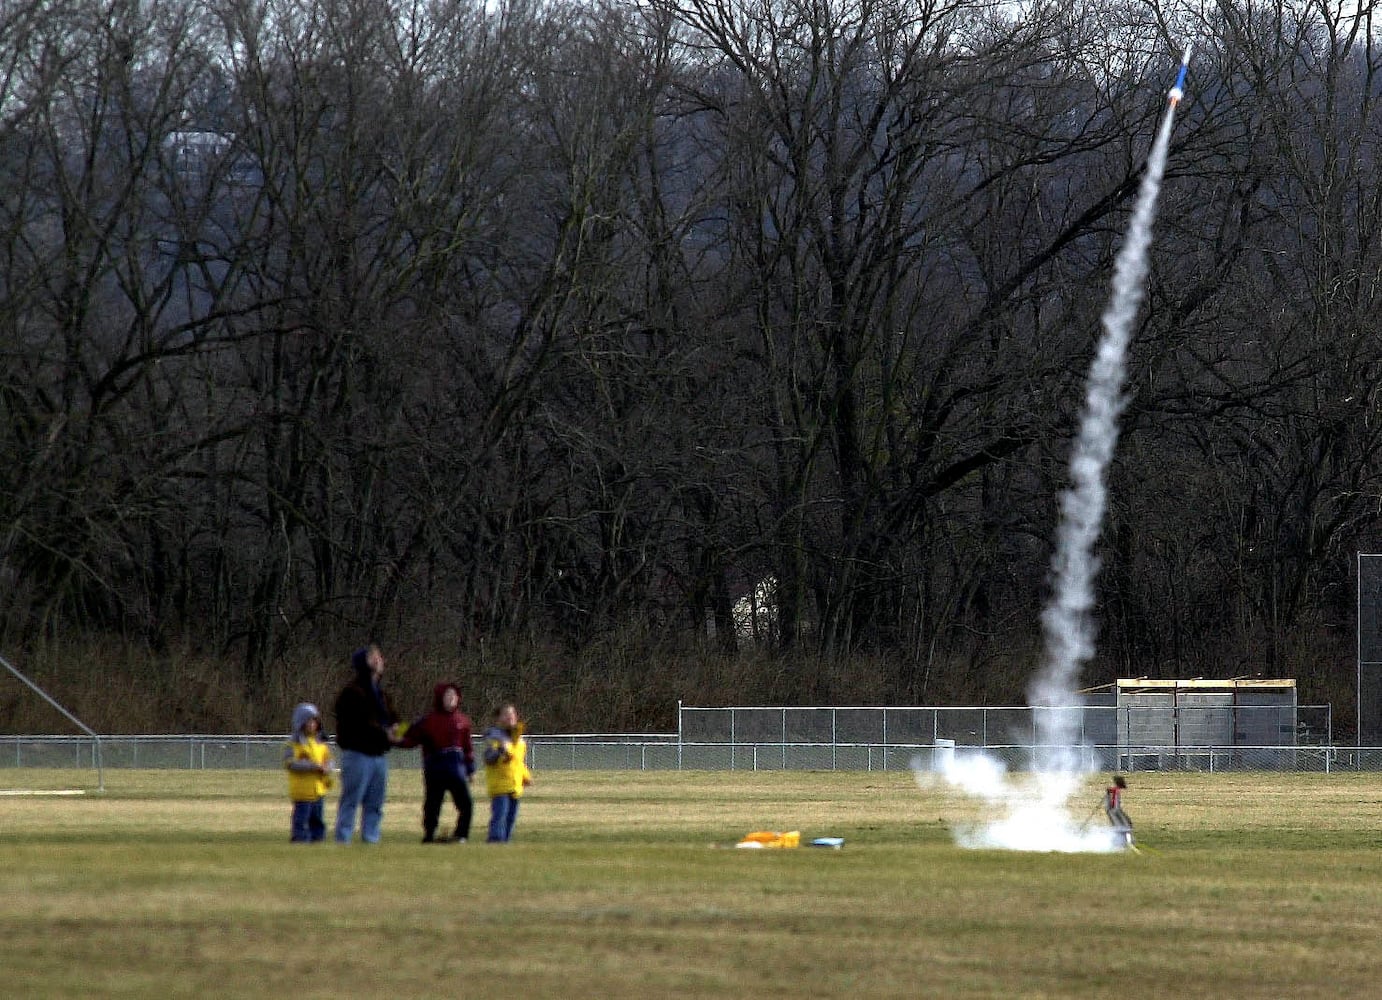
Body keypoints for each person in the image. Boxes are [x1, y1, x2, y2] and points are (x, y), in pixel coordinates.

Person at [333, 643, 400, 844]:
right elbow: (362, 723)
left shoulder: (382, 695)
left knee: (375, 803)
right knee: (351, 801)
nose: (380, 660)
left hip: (378, 756)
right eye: (374, 657)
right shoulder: (351, 693)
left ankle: (371, 839)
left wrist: (400, 731)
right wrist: (386, 733)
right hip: (357, 755)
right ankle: (343, 839)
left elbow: (395, 718)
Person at [398, 682, 476, 843]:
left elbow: (467, 748)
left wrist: (470, 769)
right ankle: (429, 835)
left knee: (466, 804)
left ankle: (461, 835)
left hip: (457, 772)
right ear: (440, 698)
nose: (451, 699)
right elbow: (410, 735)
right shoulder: (429, 720)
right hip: (435, 771)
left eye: (454, 696)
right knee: (432, 805)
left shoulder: (463, 721)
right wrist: (394, 733)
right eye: (448, 696)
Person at [283, 702, 334, 843]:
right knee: (301, 818)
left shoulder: (320, 743)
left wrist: (327, 767)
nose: (312, 725)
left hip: (318, 790)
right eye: (309, 721)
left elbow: (329, 760)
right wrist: (312, 766)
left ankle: (317, 838)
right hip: (302, 791)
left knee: (317, 818)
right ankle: (299, 838)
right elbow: (290, 763)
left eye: (314, 721)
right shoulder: (293, 743)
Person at [483, 703, 533, 843]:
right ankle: (495, 841)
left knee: (511, 818)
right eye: (505, 714)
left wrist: (525, 776)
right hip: (500, 786)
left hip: (515, 786)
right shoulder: (494, 737)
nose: (509, 717)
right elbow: (488, 758)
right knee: (500, 816)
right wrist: (501, 751)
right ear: (499, 718)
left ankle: (505, 842)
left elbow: (518, 762)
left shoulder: (519, 741)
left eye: (512, 714)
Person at [1103, 774, 1134, 848]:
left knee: (1124, 826)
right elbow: (1114, 805)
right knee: (1122, 827)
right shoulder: (1115, 790)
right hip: (1114, 811)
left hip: (1114, 811)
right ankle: (1121, 843)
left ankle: (1125, 842)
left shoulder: (1116, 790)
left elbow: (1115, 804)